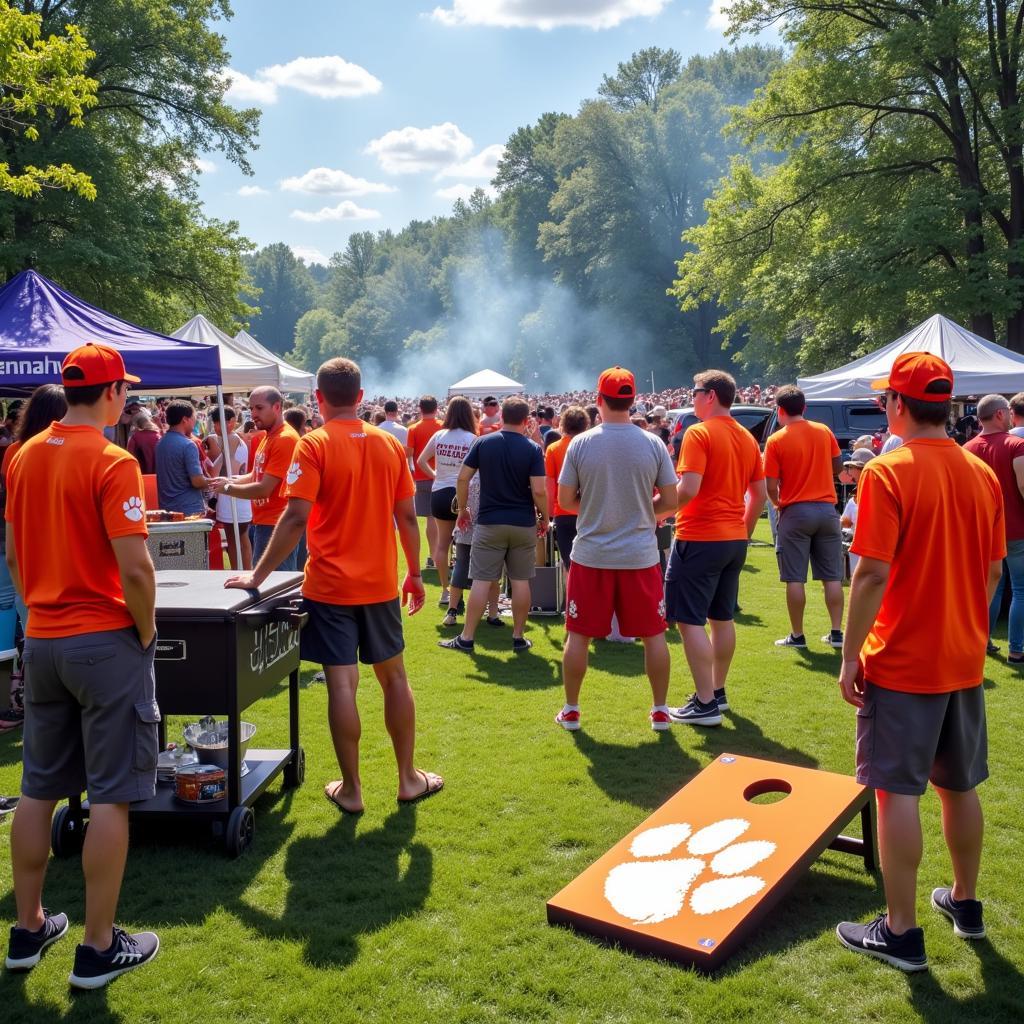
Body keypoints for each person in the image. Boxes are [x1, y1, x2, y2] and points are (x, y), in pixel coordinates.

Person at [836, 353, 1002, 972]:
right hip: (961, 655)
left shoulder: (887, 471)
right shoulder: (978, 471)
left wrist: (851, 655)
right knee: (959, 785)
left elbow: (872, 572)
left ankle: (901, 932)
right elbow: (991, 570)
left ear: (896, 405)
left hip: (904, 658)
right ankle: (965, 902)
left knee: (894, 790)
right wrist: (966, 621)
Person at [4, 343, 160, 988]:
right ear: (114, 393)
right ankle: (98, 946)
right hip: (102, 638)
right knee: (112, 796)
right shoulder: (113, 459)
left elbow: (15, 553)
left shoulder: (24, 454)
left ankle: (28, 926)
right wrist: (146, 632)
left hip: (40, 636)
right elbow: (136, 567)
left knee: (39, 787)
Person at [225, 357, 442, 811]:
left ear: (317, 399)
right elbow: (407, 516)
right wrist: (416, 574)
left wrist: (257, 575)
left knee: (342, 687)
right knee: (395, 678)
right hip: (380, 585)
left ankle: (352, 789)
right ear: (361, 398)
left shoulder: (313, 445)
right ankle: (407, 778)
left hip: (329, 587)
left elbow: (295, 517)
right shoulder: (387, 444)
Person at [554, 367, 678, 732]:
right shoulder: (652, 442)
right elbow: (671, 500)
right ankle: (659, 710)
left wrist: (597, 509)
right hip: (639, 554)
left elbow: (564, 499)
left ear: (599, 400)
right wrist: (640, 511)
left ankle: (572, 709)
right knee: (654, 634)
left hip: (592, 553)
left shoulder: (581, 443)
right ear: (632, 399)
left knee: (578, 634)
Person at [665, 370, 767, 727]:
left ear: (710, 395)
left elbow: (688, 487)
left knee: (688, 620)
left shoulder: (699, 431)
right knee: (721, 619)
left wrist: (653, 511)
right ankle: (716, 693)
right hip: (733, 538)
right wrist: (744, 529)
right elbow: (760, 495)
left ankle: (705, 701)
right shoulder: (746, 437)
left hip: (700, 537)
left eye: (695, 392)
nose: (691, 399)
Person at [439, 397, 547, 654]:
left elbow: (463, 478)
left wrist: (463, 510)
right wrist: (544, 516)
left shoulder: (483, 442)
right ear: (525, 421)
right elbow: (540, 490)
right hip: (522, 522)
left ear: (500, 417)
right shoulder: (532, 448)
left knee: (481, 580)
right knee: (521, 581)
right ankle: (519, 637)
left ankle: (466, 638)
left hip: (489, 521)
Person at [0, 385, 69, 732]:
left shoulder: (16, 450)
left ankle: (28, 704)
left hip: (22, 548)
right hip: (48, 550)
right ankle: (43, 706)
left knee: (25, 630)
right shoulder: (50, 452)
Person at [763, 385, 845, 650]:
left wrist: (778, 505)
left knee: (794, 577)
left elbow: (771, 485)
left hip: (795, 510)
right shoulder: (824, 431)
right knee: (832, 576)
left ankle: (797, 635)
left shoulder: (777, 440)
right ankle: (836, 632)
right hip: (826, 509)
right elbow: (837, 467)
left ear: (780, 410)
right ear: (804, 407)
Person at [211, 386, 301, 571]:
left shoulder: (284, 439)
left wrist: (227, 489)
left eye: (259, 408)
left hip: (276, 524)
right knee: (266, 583)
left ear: (276, 407)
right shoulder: (269, 436)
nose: (253, 414)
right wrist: (230, 481)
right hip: (265, 522)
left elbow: (264, 488)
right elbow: (256, 474)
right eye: (251, 408)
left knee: (273, 588)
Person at [963, 394, 1024, 664]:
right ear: (1000, 414)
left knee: (991, 586)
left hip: (982, 531)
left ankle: (981, 641)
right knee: (1021, 589)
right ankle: (1017, 649)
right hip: (1016, 527)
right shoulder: (1016, 445)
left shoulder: (967, 449)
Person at [416, 396, 477, 605]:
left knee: (442, 545)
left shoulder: (439, 435)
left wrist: (435, 475)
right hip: (462, 494)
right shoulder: (471, 438)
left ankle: (445, 590)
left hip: (440, 492)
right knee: (464, 545)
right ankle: (459, 591)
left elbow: (420, 460)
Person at [208, 405, 253, 571]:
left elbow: (225, 471)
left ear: (232, 422)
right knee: (236, 541)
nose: (216, 427)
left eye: (219, 423)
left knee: (239, 541)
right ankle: (241, 572)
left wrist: (212, 465)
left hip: (234, 495)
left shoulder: (232, 439)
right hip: (231, 496)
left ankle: (243, 572)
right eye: (214, 423)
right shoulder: (234, 439)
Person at [545, 406, 590, 571]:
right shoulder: (591, 445)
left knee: (569, 564)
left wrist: (549, 514)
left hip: (563, 511)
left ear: (563, 424)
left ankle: (571, 597)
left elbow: (549, 486)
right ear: (585, 425)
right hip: (589, 511)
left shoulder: (553, 449)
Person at [406, 396, 443, 572]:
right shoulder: (443, 426)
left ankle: (433, 555)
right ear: (436, 408)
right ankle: (438, 556)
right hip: (442, 476)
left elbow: (410, 453)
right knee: (440, 519)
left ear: (420, 409)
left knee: (430, 518)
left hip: (422, 476)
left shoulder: (413, 429)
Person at [154, 401, 207, 515]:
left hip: (167, 509)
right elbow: (197, 481)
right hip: (189, 510)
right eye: (194, 417)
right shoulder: (188, 445)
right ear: (185, 419)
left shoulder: (160, 443)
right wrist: (216, 483)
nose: (195, 421)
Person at [840, 448, 874, 577]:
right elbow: (847, 522)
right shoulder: (854, 496)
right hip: (857, 550)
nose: (848, 473)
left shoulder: (877, 491)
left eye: (851, 467)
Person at [126, 409, 160, 475]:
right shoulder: (158, 436)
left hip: (141, 474)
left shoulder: (135, 437)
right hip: (158, 475)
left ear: (136, 424)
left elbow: (130, 456)